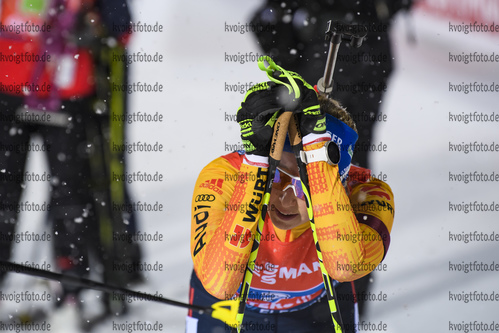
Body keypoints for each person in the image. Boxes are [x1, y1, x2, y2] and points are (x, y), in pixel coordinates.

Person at [186, 68, 394, 332]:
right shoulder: (226, 175)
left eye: (303, 185)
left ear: (337, 180)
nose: (285, 198)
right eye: (275, 176)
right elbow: (219, 283)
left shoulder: (366, 192)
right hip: (227, 307)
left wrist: (316, 159)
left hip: (315, 312)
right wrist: (257, 165)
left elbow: (346, 266)